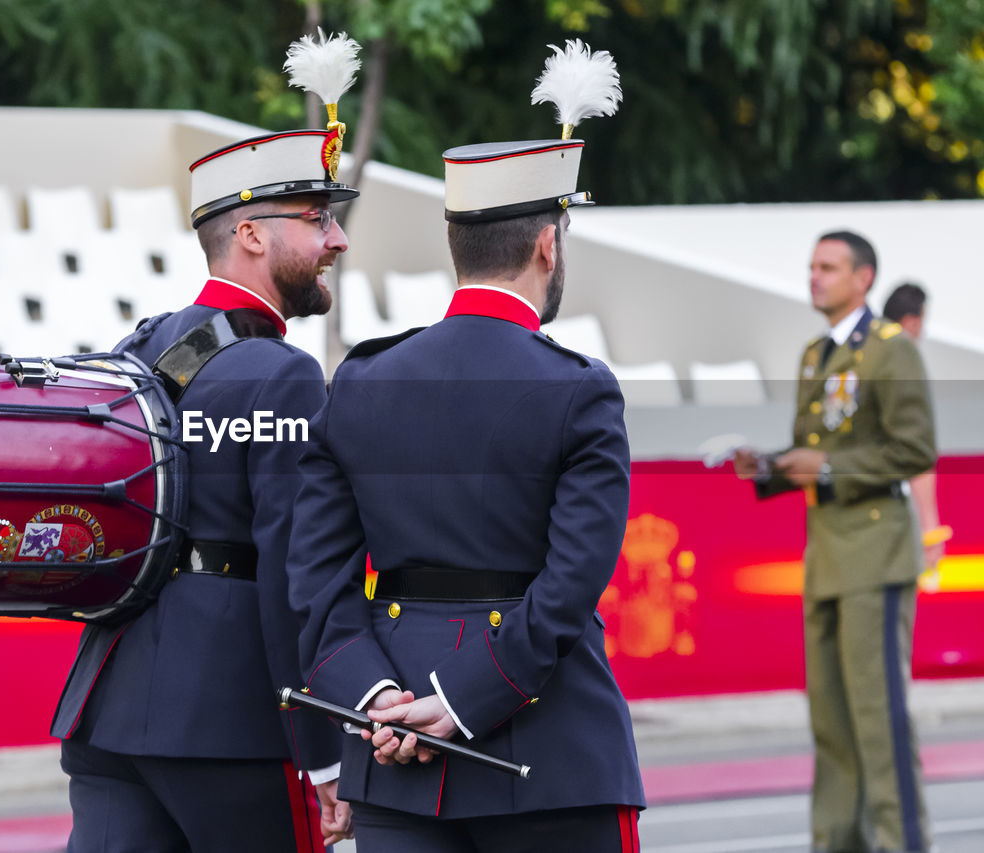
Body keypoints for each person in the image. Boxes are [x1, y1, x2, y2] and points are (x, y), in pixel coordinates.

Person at [286, 41, 643, 852]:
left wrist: (374, 694)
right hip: (549, 752)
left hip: (391, 750)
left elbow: (315, 581)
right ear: (548, 246)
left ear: (458, 246)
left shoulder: (361, 379)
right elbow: (569, 586)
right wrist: (464, 696)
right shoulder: (579, 387)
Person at [50, 33, 363, 853]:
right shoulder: (284, 375)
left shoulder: (142, 349)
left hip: (108, 707)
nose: (336, 240)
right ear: (253, 236)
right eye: (316, 219)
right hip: (231, 726)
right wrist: (324, 754)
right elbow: (296, 574)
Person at [734, 232, 936, 852]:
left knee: (878, 722)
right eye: (811, 267)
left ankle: (903, 843)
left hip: (874, 556)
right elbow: (817, 450)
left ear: (864, 277)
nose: (815, 277)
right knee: (832, 725)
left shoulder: (890, 350)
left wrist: (825, 470)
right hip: (826, 554)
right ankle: (838, 842)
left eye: (829, 267)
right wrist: (767, 467)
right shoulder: (814, 354)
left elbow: (914, 449)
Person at [883, 282, 951, 577]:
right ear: (912, 321)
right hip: (893, 512)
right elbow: (916, 449)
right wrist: (930, 527)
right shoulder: (903, 362)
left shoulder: (862, 354)